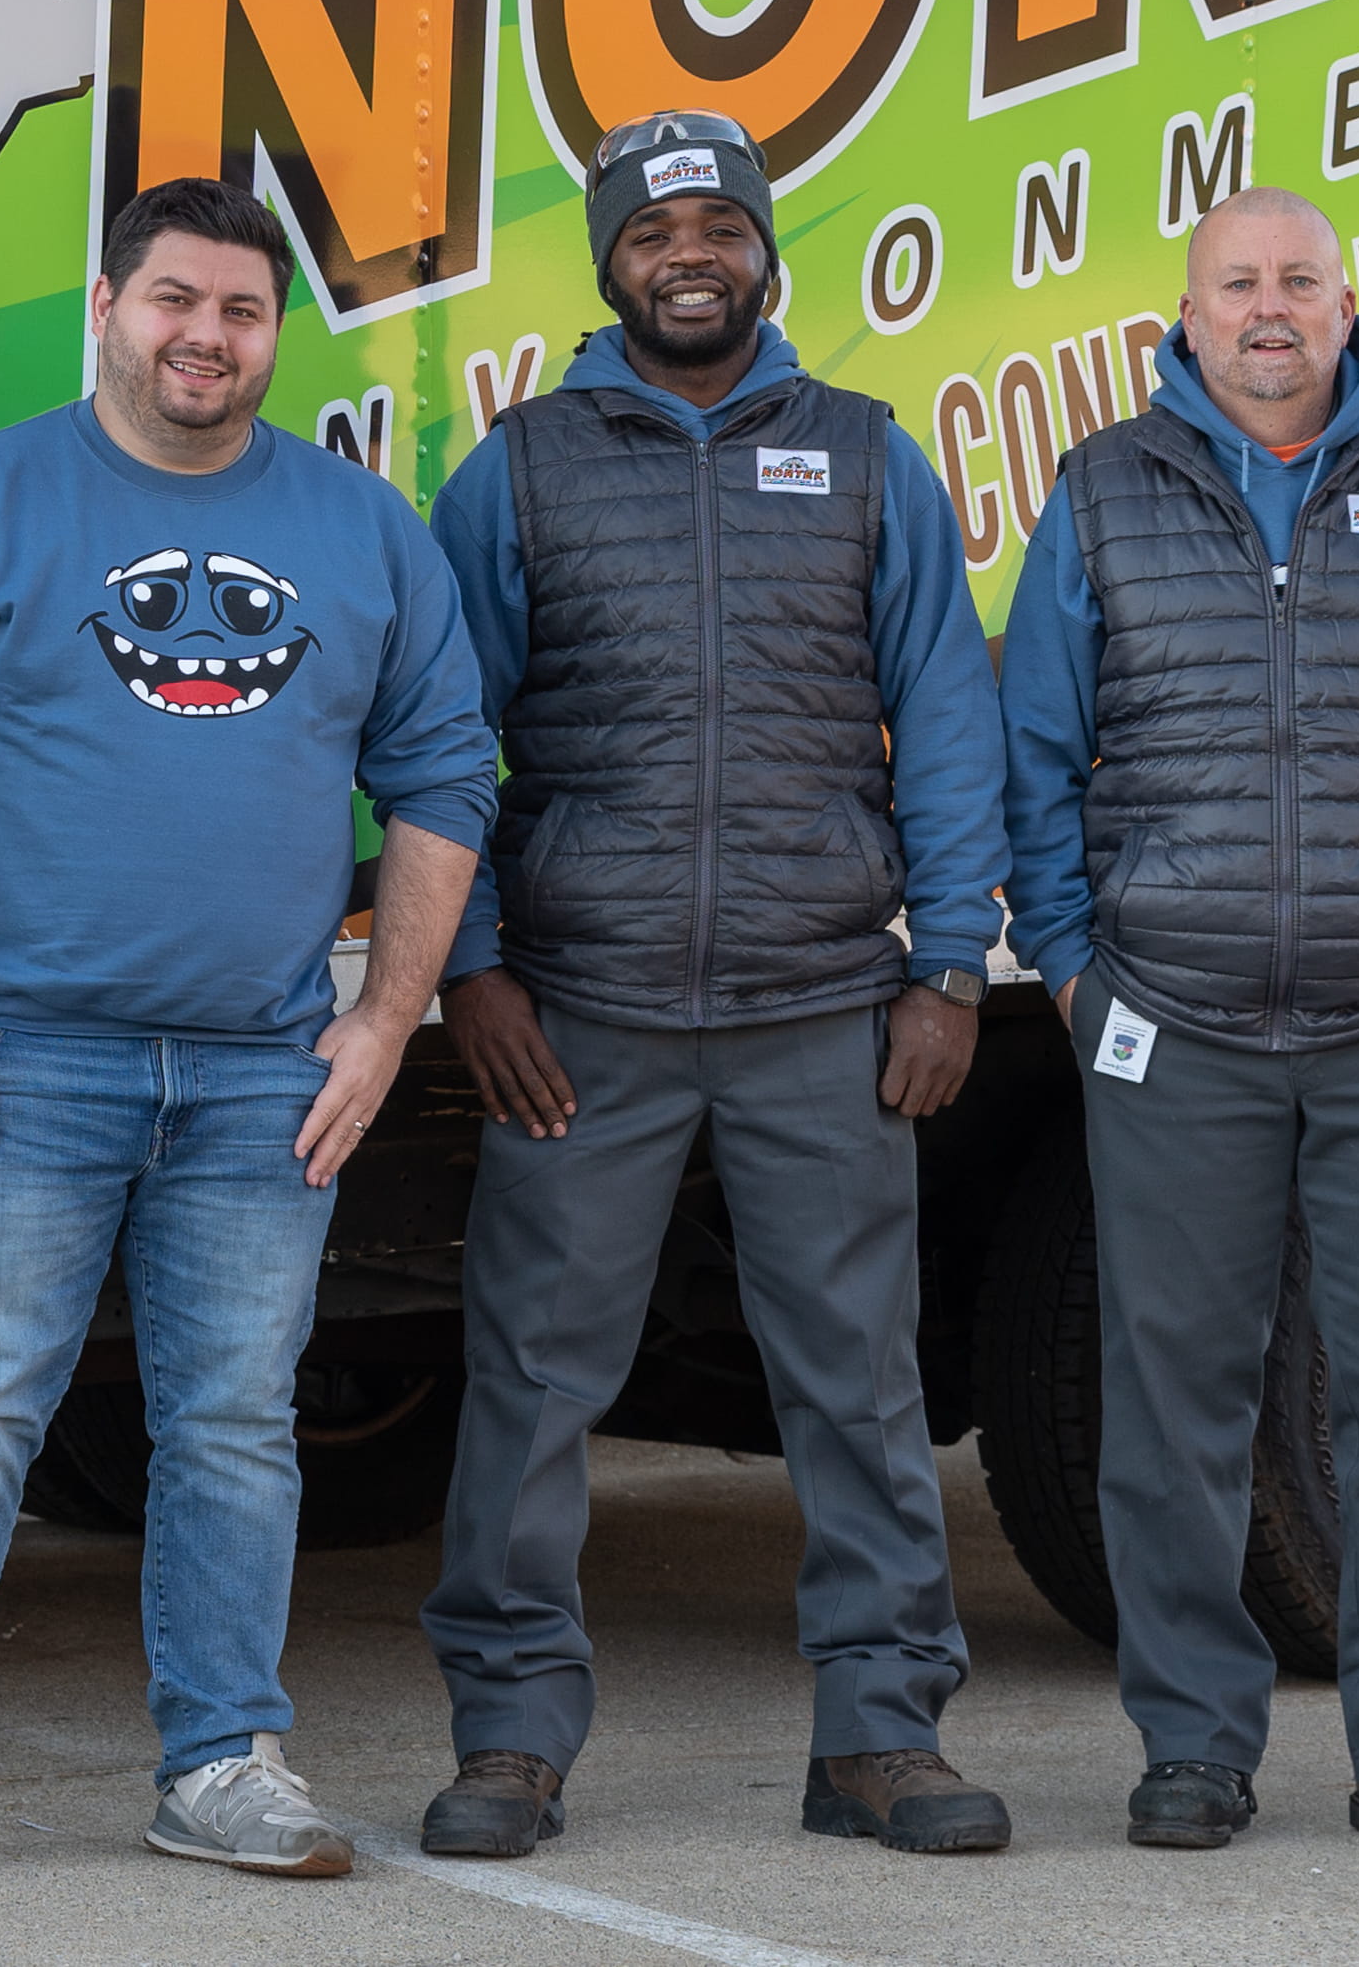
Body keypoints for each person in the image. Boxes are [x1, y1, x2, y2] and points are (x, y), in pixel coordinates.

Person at [0, 174, 499, 1889]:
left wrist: (386, 1021)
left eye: (243, 311)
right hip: (27, 1058)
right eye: (176, 300)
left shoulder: (359, 530)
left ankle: (223, 1765)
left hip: (265, 1069)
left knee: (240, 1420)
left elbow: (443, 774)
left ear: (272, 335)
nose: (208, 336)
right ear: (106, 309)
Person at [406, 111, 1014, 1863]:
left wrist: (949, 968)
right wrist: (478, 972)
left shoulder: (870, 457)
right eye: (654, 226)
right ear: (609, 261)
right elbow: (448, 745)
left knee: (860, 1386)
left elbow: (948, 723)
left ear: (763, 251)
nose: (691, 251)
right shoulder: (516, 470)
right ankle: (512, 1738)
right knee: (533, 1379)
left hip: (822, 1003)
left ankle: (881, 1738)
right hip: (580, 1015)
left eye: (718, 224)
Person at [992, 185, 1359, 1856]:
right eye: (1237, 282)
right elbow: (1038, 753)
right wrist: (1079, 966)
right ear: (1184, 316)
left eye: (1298, 281)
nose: (1268, 308)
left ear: (1347, 304)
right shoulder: (1105, 493)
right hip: (1169, 1018)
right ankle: (1192, 1746)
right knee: (1174, 1400)